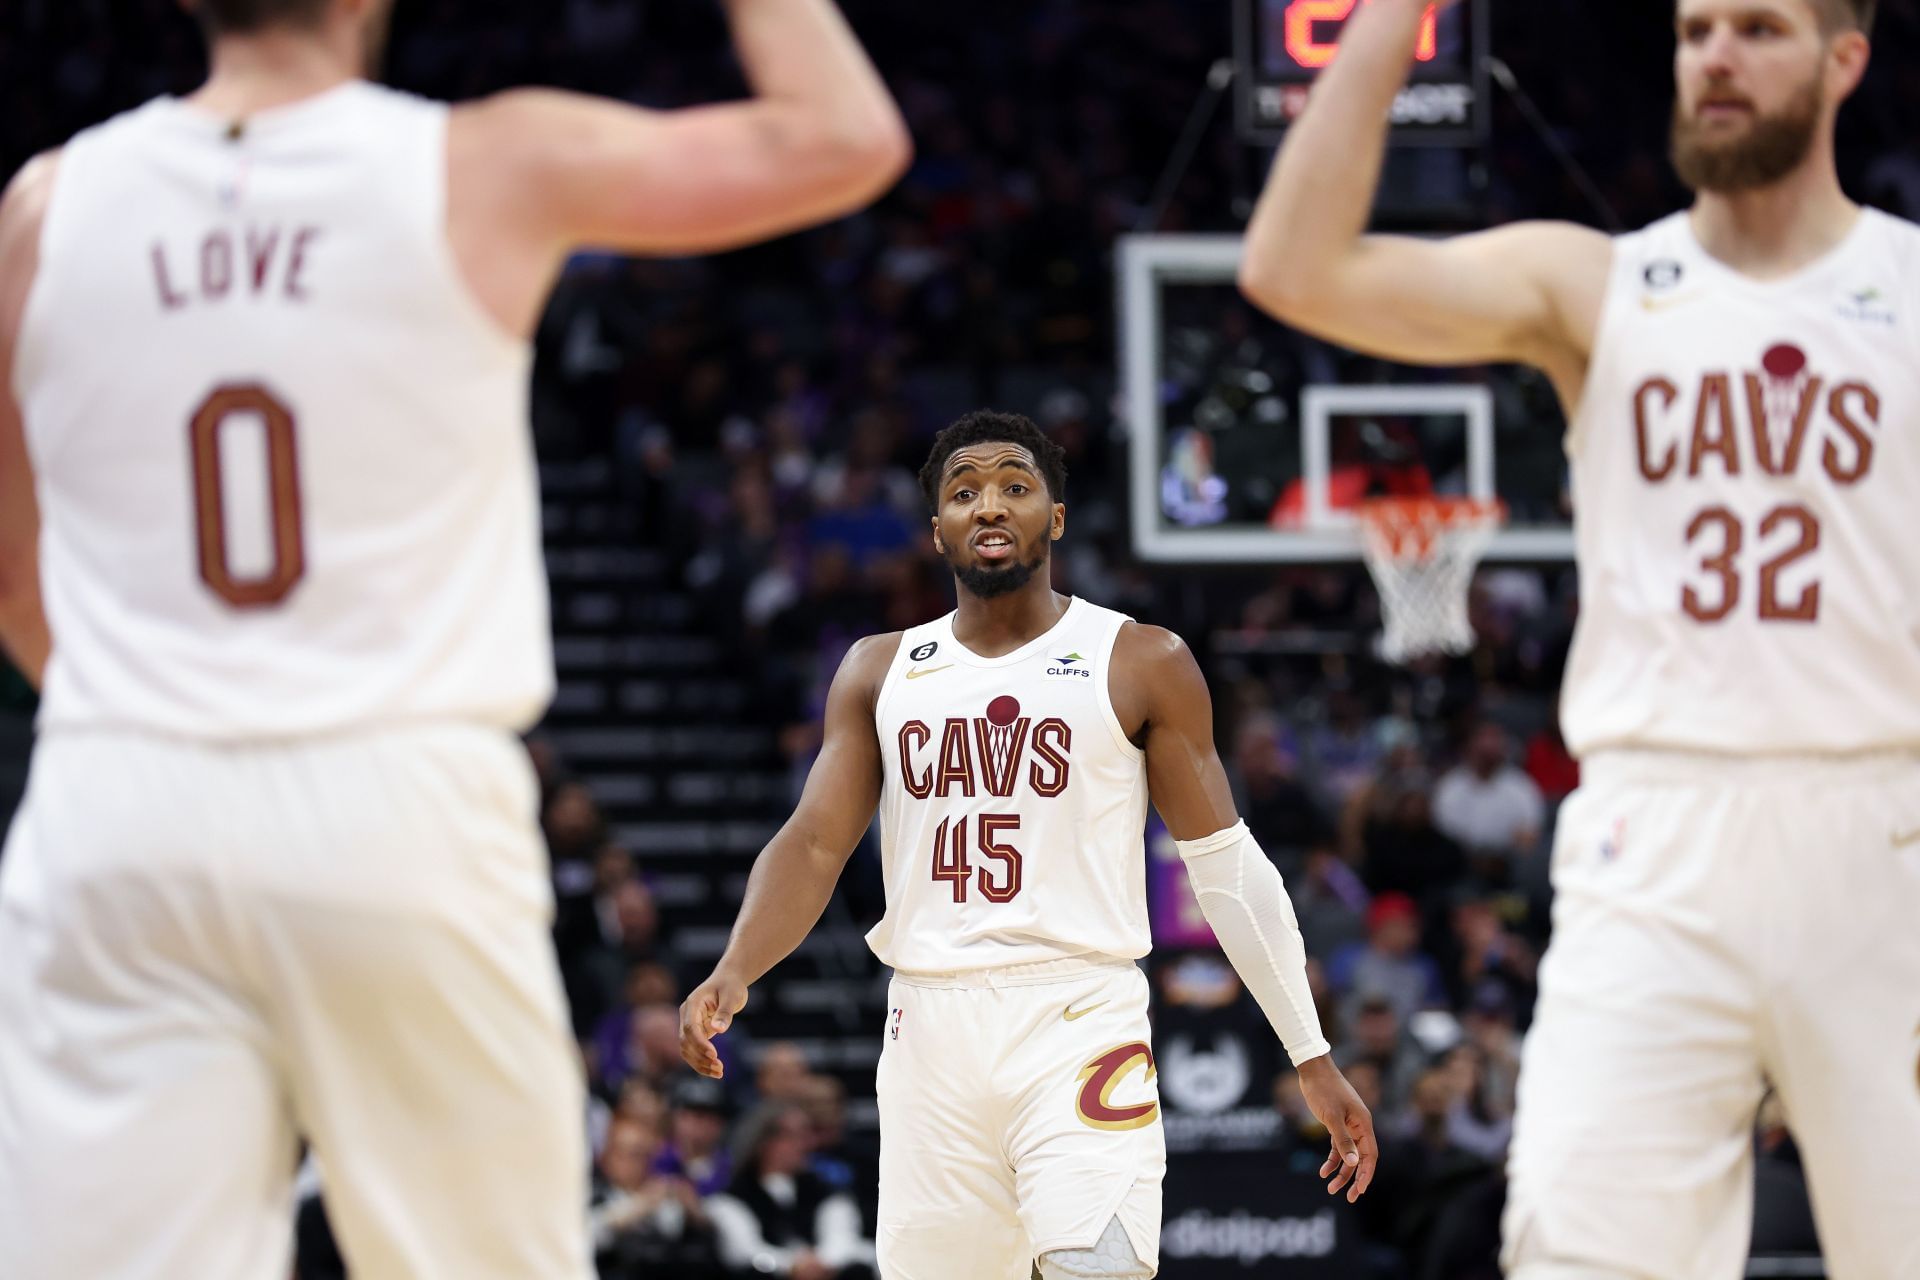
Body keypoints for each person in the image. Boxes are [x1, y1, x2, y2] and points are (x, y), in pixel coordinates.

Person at [0, 0, 909, 1275]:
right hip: (393, 787)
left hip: (117, 790)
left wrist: (167, 721)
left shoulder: (42, 211)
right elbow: (844, 138)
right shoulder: (483, 161)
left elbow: (21, 584)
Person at [1238, 0, 1920, 1274]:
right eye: (1695, 27)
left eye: (1759, 28)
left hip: (1889, 825)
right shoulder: (1598, 283)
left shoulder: (1908, 288)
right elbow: (1293, 267)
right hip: (1653, 833)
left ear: (1845, 62)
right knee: (1575, 1253)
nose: (1716, 54)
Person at [680, 411, 1378, 1279]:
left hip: (1079, 1019)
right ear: (937, 531)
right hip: (928, 1028)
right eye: (963, 492)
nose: (989, 506)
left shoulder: (1139, 659)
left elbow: (1225, 866)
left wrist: (1308, 1051)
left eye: (1016, 485)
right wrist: (736, 965)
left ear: (1054, 515)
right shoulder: (878, 669)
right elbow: (815, 843)